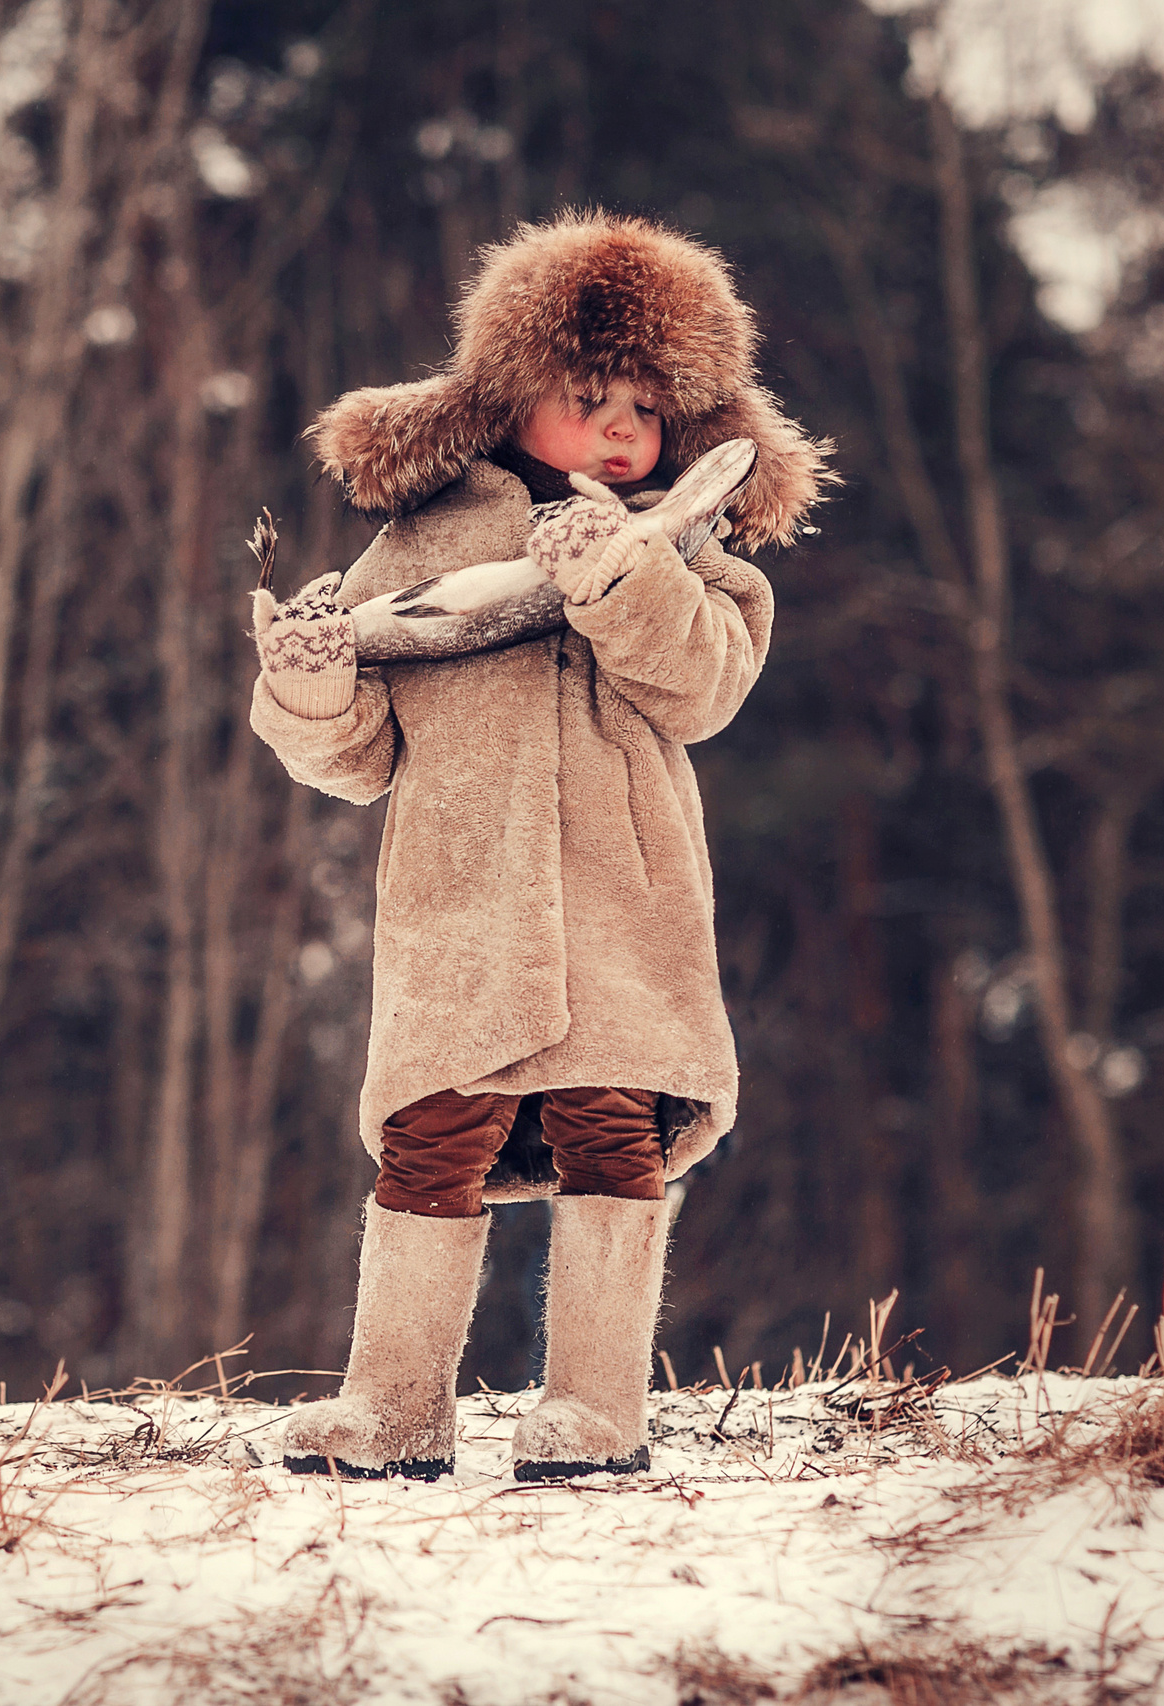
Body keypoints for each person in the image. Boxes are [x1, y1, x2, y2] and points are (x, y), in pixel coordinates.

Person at [249, 209, 834, 1481]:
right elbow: (352, 757)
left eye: (645, 404)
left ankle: (593, 1407)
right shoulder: (418, 545)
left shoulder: (698, 552)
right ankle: (393, 1406)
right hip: (458, 910)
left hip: (625, 911)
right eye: (589, 396)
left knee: (609, 1132)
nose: (623, 427)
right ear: (516, 395)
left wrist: (617, 578)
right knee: (430, 1139)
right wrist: (304, 685)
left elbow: (702, 689)